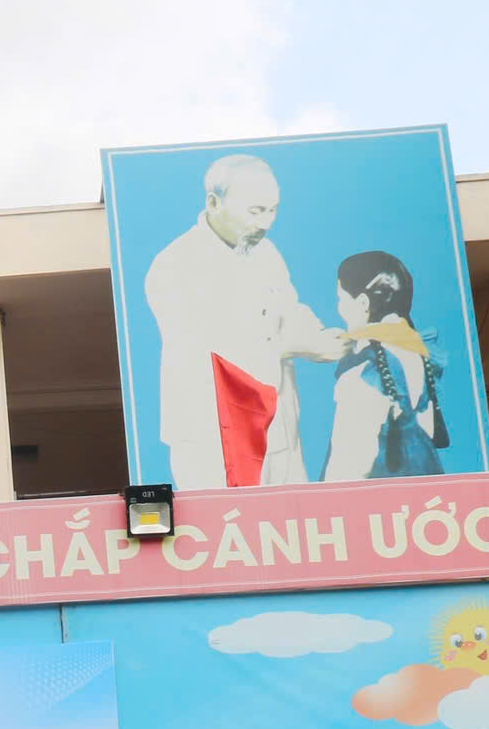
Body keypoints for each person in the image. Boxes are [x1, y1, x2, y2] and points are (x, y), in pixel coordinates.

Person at [141, 152, 342, 489]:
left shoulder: (266, 252)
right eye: (255, 211)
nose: (266, 223)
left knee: (293, 516)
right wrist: (293, 346)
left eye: (273, 210)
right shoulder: (175, 265)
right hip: (212, 438)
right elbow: (209, 353)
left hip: (276, 428)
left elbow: (289, 309)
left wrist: (319, 336)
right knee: (227, 519)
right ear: (213, 203)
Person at [321, 250, 446, 482]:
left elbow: (344, 473)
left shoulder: (361, 376)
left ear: (363, 303)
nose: (339, 308)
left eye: (340, 299)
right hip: (426, 497)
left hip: (379, 501)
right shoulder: (420, 355)